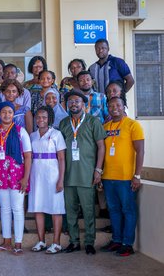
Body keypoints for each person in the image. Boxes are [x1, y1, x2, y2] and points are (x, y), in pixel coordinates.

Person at [59, 90, 106, 255]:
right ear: (66, 104)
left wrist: (98, 170)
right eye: (70, 101)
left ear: (83, 104)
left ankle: (89, 242)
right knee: (70, 212)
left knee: (88, 211)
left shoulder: (93, 121)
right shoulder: (64, 123)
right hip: (68, 176)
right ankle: (73, 242)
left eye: (77, 101)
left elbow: (101, 146)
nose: (73, 104)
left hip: (87, 175)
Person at [100, 97, 144, 257]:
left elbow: (140, 151)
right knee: (114, 210)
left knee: (128, 210)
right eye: (111, 106)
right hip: (108, 177)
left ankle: (127, 244)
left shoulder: (133, 125)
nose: (114, 108)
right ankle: (117, 240)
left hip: (126, 178)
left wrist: (137, 175)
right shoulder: (105, 127)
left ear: (124, 106)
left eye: (118, 105)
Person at [0, 102, 32, 255]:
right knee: (5, 209)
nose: (6, 115)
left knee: (17, 209)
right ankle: (6, 241)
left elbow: (28, 156)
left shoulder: (21, 132)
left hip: (17, 176)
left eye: (9, 112)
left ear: (13, 114)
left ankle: (18, 243)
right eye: (3, 112)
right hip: (0, 175)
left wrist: (25, 178)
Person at [28, 106, 66, 254]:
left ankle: (56, 243)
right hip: (36, 174)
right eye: (38, 117)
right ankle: (41, 241)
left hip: (53, 174)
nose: (40, 120)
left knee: (56, 208)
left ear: (49, 118)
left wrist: (60, 180)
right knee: (38, 208)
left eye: (44, 117)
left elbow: (62, 158)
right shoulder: (32, 136)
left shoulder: (56, 134)